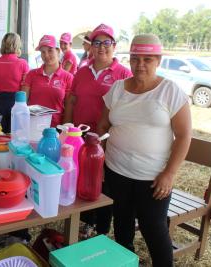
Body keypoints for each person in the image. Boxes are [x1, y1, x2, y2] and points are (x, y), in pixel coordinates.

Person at [98, 34, 191, 266]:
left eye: (147, 59)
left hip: (152, 178)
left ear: (158, 60)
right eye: (135, 58)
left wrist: (169, 174)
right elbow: (102, 125)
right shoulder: (117, 88)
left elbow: (183, 136)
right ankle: (127, 262)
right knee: (121, 225)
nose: (140, 64)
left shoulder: (170, 91)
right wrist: (98, 158)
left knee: (154, 230)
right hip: (116, 171)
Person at [63, 23, 132, 237]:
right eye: (97, 42)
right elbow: (72, 101)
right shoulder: (82, 71)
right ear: (90, 46)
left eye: (106, 42)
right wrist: (66, 129)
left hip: (106, 138)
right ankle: (85, 222)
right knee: (81, 177)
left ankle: (101, 228)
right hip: (79, 136)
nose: (101, 47)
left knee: (103, 183)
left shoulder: (123, 73)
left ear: (114, 45)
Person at [22, 35, 73, 127]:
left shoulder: (68, 77)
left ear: (57, 51)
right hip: (32, 126)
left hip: (55, 129)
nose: (46, 55)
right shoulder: (31, 74)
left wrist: (64, 130)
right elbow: (22, 103)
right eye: (43, 52)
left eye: (50, 50)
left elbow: (69, 108)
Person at [0, 33, 29, 133]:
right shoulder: (23, 63)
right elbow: (25, 91)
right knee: (15, 136)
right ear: (17, 45)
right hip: (16, 103)